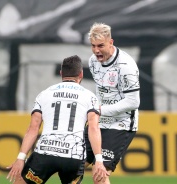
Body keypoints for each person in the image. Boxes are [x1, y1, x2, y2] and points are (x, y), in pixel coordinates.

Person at [7, 55, 108, 184]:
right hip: (73, 156)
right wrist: (98, 160)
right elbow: (93, 128)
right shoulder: (90, 97)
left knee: (21, 180)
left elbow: (33, 128)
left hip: (45, 153)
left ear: (61, 73)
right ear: (81, 74)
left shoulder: (44, 94)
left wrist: (21, 158)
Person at [85, 22, 141, 184]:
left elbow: (133, 102)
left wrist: (99, 110)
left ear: (111, 42)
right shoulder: (93, 61)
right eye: (93, 46)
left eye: (100, 45)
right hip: (99, 123)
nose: (96, 50)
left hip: (121, 124)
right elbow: (101, 91)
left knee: (99, 173)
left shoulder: (125, 66)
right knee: (74, 164)